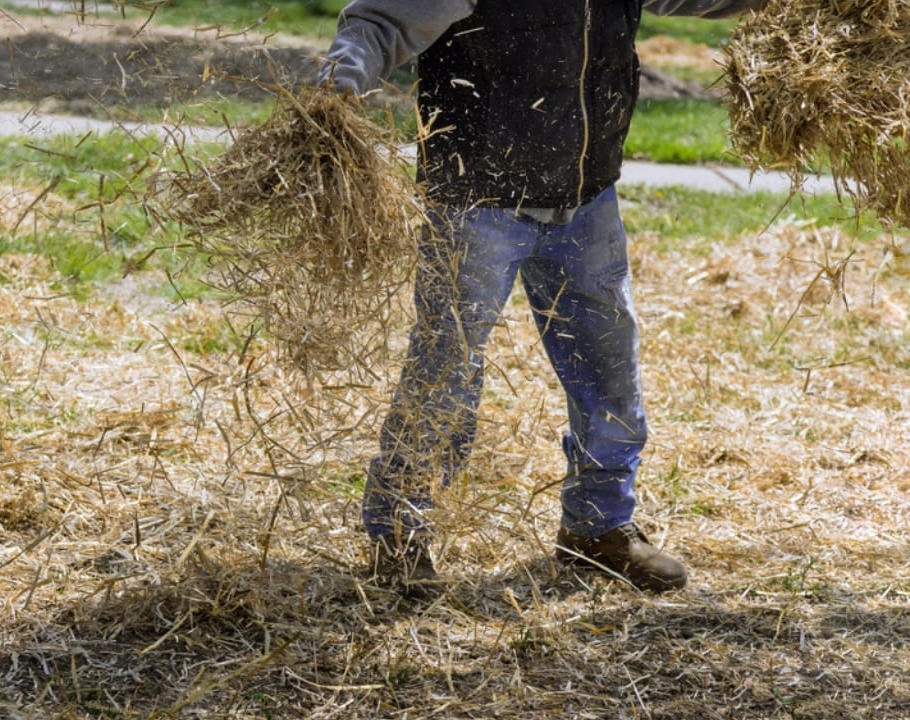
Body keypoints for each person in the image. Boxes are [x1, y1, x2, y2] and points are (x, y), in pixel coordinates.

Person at [319, 0, 769, 595]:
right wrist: (333, 96)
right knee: (444, 371)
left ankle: (596, 530)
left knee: (610, 371)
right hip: (475, 201)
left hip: (585, 200)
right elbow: (378, 22)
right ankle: (399, 538)